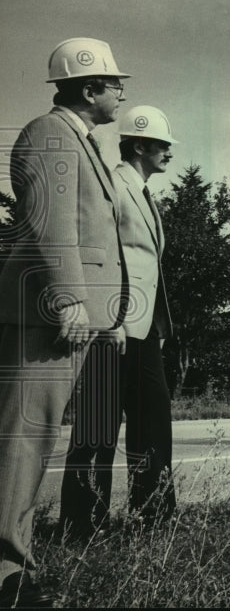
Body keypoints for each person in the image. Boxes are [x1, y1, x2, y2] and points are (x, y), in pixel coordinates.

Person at [0, 38, 130, 608]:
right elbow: (52, 225)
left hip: (70, 315)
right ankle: (6, 576)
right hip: (48, 315)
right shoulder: (49, 134)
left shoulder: (81, 140)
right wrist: (71, 300)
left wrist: (106, 311)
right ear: (87, 88)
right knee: (23, 439)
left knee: (35, 439)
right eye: (113, 82)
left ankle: (13, 565)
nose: (122, 90)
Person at [59, 106, 178, 538]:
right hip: (112, 326)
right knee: (97, 425)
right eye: (163, 145)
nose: (169, 153)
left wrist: (154, 328)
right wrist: (111, 320)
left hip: (144, 331)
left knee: (153, 418)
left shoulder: (142, 191)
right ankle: (81, 525)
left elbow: (147, 267)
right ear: (140, 145)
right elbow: (102, 256)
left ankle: (155, 516)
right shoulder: (113, 184)